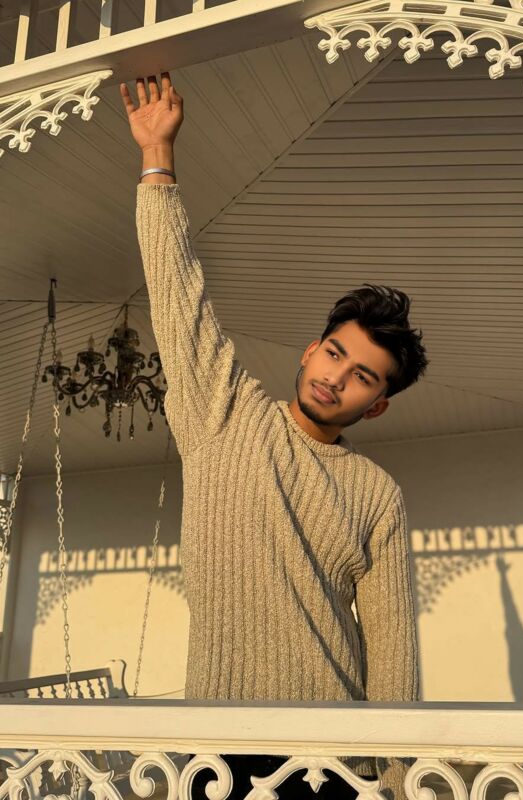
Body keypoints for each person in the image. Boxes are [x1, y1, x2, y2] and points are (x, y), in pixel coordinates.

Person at [121, 71, 429, 800]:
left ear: (377, 406)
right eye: (334, 353)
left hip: (332, 760)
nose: (336, 377)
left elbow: (392, 650)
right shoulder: (223, 413)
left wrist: (393, 777)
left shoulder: (376, 494)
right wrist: (157, 157)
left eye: (362, 376)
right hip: (216, 751)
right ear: (310, 349)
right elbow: (179, 296)